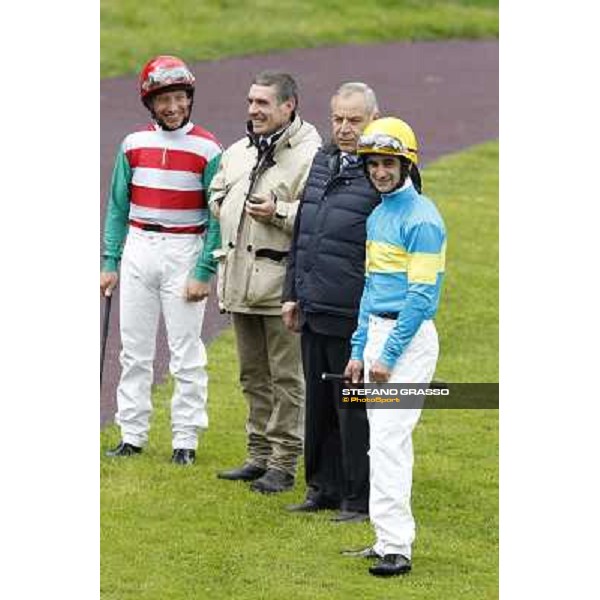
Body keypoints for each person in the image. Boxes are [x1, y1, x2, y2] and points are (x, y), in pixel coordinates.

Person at [101, 55, 222, 465]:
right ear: (149, 104)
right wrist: (109, 261)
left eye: (179, 98)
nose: (172, 107)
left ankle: (185, 439)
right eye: (163, 100)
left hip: (184, 250)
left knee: (185, 350)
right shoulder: (133, 145)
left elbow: (217, 216)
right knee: (134, 349)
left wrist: (204, 270)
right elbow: (118, 207)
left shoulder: (208, 148)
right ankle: (132, 434)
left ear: (189, 98)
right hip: (138, 246)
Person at [342, 117, 446, 576]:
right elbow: (370, 288)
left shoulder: (423, 218)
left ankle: (398, 547)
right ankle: (386, 538)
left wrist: (386, 356)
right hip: (379, 337)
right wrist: (357, 349)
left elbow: (422, 298)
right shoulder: (378, 214)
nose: (379, 172)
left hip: (408, 339)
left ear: (406, 164)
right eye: (374, 164)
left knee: (389, 442)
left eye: (388, 163)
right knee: (379, 443)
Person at [209, 71, 322, 493]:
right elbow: (216, 192)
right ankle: (257, 455)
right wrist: (221, 202)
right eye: (251, 101)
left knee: (287, 379)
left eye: (263, 103)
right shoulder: (238, 150)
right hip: (239, 282)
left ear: (288, 106)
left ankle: (283, 462)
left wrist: (278, 212)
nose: (253, 110)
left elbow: (318, 221)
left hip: (281, 289)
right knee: (251, 375)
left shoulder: (312, 154)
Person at [282, 82, 381, 523]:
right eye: (338, 118)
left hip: (354, 311)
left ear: (373, 120)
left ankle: (357, 498)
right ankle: (321, 487)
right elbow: (303, 229)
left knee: (353, 408)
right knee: (318, 403)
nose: (343, 128)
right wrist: (291, 294)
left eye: (354, 120)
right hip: (313, 303)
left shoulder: (384, 170)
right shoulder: (322, 160)